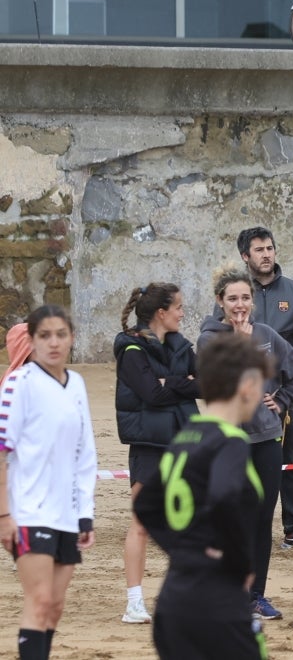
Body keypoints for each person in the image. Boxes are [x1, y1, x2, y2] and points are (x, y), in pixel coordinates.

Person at [133, 333, 272, 660]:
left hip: (173, 605)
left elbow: (144, 504)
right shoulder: (230, 441)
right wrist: (239, 562)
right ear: (248, 385)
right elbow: (224, 497)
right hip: (217, 605)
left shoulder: (187, 436)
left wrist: (185, 549)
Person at [198, 268, 293, 622]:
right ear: (220, 302)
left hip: (265, 441)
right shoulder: (209, 340)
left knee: (261, 520)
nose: (240, 305)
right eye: (233, 299)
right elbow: (222, 388)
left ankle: (256, 595)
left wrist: (283, 400)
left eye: (246, 298)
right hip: (228, 442)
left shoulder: (267, 335)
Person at [0, 305, 96, 660]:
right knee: (38, 601)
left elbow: (84, 456)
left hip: (66, 515)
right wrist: (4, 516)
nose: (54, 343)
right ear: (32, 342)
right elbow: (1, 451)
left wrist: (85, 514)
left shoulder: (78, 384)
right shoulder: (17, 383)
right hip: (27, 511)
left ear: (71, 338)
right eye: (45, 336)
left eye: (61, 334)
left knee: (54, 606)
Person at [114, 283, 201, 625]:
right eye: (178, 307)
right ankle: (134, 602)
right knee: (141, 523)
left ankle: (185, 597)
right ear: (161, 313)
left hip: (183, 441)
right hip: (149, 446)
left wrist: (173, 383)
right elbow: (151, 393)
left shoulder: (180, 346)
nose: (182, 313)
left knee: (186, 521)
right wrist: (182, 382)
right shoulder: (132, 348)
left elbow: (207, 383)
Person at [231, 227, 293, 557]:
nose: (267, 254)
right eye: (259, 250)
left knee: (290, 459)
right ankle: (246, 529)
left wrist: (283, 391)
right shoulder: (236, 295)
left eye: (270, 248)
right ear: (245, 256)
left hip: (287, 394)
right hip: (243, 400)